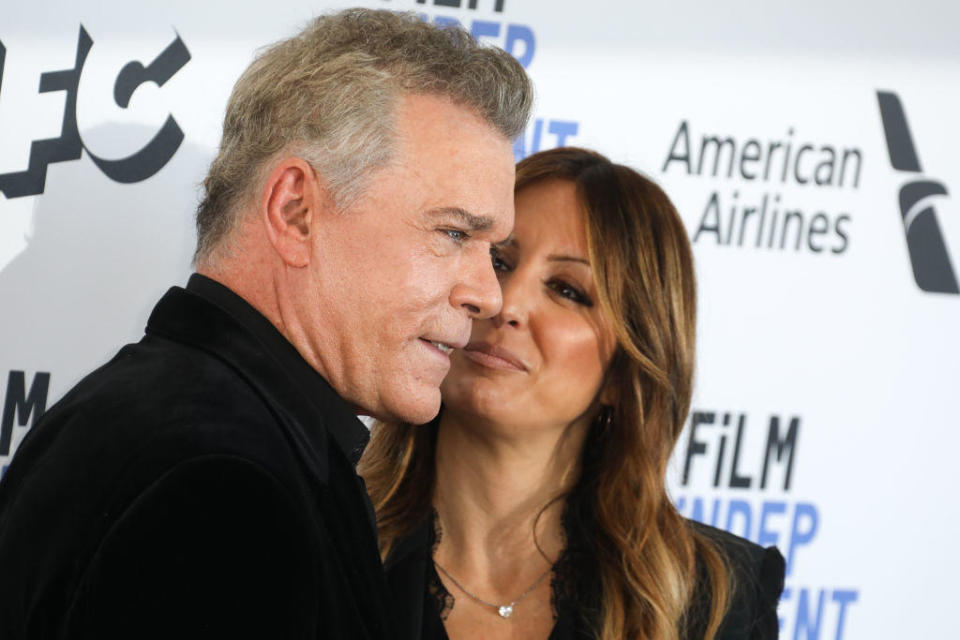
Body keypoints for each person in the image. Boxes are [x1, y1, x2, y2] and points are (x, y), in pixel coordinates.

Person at [0, 9, 531, 639]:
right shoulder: (223, 490)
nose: (488, 295)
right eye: (452, 232)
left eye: (491, 251)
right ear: (295, 210)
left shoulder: (181, 422)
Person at [360, 147, 785, 640]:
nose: (505, 302)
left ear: (624, 375)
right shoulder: (316, 539)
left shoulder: (715, 600)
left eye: (566, 289)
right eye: (497, 261)